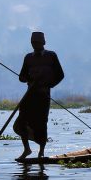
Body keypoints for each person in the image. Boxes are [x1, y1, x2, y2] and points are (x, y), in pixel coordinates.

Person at [13, 31, 64, 161]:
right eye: (33, 43)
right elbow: (22, 77)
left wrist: (48, 85)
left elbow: (60, 75)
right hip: (29, 95)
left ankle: (41, 151)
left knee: (42, 122)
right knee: (22, 121)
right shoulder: (28, 58)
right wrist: (26, 78)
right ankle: (27, 149)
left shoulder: (51, 56)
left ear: (43, 43)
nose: (35, 45)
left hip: (43, 95)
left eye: (37, 43)